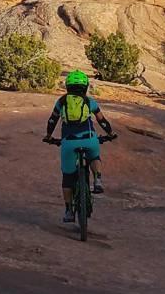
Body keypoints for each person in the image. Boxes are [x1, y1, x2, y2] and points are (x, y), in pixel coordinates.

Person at [44, 69, 115, 223]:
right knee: (94, 156)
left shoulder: (62, 102)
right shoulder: (90, 102)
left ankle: (69, 210)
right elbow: (102, 121)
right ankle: (97, 179)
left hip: (68, 142)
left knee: (68, 178)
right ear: (85, 86)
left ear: (68, 86)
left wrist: (49, 137)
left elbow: (52, 120)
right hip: (89, 139)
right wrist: (110, 134)